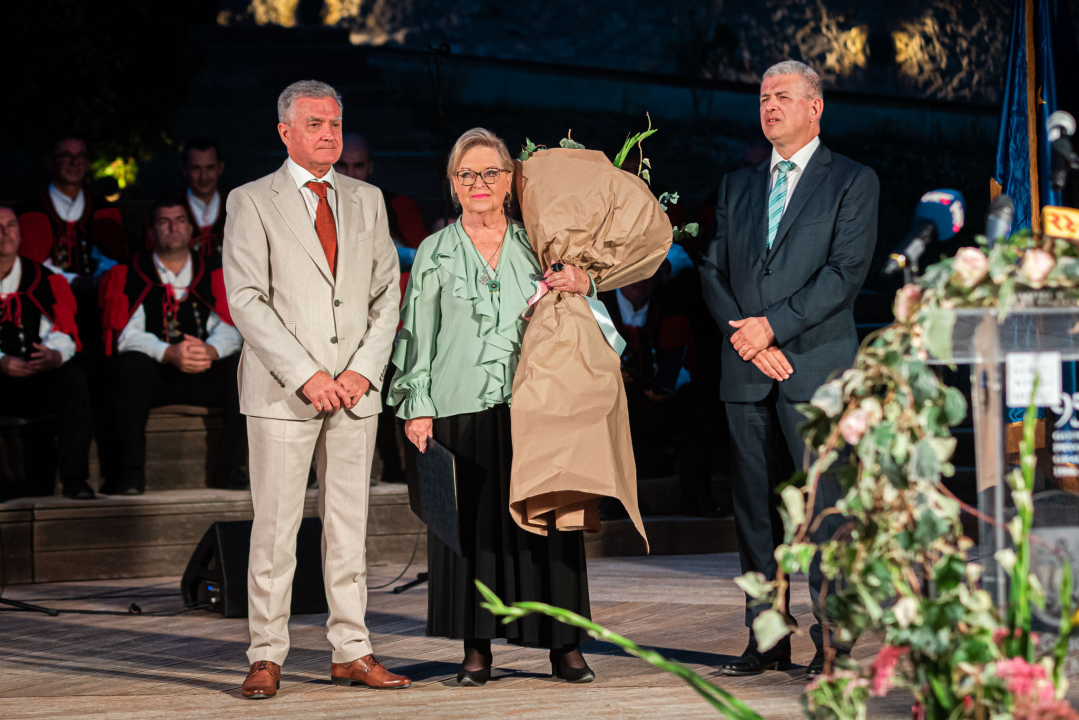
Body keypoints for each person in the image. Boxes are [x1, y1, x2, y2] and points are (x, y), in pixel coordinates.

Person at [390, 127, 595, 687]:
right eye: (466, 175)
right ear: (453, 185)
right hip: (457, 408)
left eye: (490, 173)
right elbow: (416, 337)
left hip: (537, 404)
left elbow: (580, 310)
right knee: (470, 533)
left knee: (549, 523)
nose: (479, 184)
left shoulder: (542, 242)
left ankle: (565, 646)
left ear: (510, 181)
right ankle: (476, 651)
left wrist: (584, 281)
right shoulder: (434, 251)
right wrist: (417, 405)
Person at [223, 80, 408, 698]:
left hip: (356, 391)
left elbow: (388, 294)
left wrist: (361, 371)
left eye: (335, 123)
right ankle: (266, 654)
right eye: (315, 124)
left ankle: (351, 650)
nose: (329, 134)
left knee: (348, 526)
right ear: (285, 132)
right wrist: (308, 374)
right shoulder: (251, 201)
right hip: (285, 391)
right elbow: (246, 299)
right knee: (274, 529)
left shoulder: (368, 199)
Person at [701, 60, 878, 678]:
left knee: (824, 511)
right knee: (755, 513)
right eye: (763, 97)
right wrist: (750, 340)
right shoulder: (737, 186)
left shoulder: (852, 181)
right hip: (747, 374)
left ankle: (835, 642)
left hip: (815, 371)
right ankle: (767, 638)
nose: (769, 106)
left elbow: (844, 274)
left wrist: (770, 326)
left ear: (815, 106)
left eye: (782, 96)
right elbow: (712, 270)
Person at [99, 199, 247, 495]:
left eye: (179, 219)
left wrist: (211, 351)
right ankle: (130, 473)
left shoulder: (215, 271)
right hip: (157, 377)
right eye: (164, 221)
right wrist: (168, 353)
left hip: (206, 371)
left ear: (190, 228)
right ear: (152, 231)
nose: (173, 227)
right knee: (130, 365)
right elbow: (127, 334)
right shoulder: (130, 273)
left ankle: (230, 467)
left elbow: (231, 327)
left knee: (244, 366)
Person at [599, 256, 725, 518]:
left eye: (647, 272)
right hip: (614, 404)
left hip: (661, 404)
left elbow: (691, 360)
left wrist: (670, 384)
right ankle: (612, 498)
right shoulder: (601, 308)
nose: (639, 281)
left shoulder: (670, 306)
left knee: (698, 401)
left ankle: (695, 494)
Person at [0, 206, 94, 500]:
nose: (5, 233)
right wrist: (1, 361)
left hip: (37, 373)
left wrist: (54, 354)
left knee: (74, 377)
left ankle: (75, 479)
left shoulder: (44, 277)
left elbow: (63, 331)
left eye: (11, 225)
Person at [16, 136, 125, 286]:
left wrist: (99, 278)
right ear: (51, 162)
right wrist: (74, 281)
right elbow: (27, 265)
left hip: (98, 296)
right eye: (66, 155)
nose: (75, 162)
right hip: (44, 297)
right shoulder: (29, 210)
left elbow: (116, 257)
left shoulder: (105, 209)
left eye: (81, 156)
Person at [181, 137, 227, 257]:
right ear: (185, 169)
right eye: (196, 168)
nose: (203, 177)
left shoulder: (235, 204)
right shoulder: (171, 209)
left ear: (220, 168)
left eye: (210, 167)